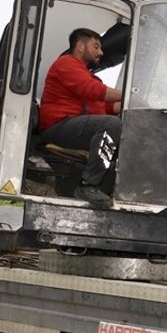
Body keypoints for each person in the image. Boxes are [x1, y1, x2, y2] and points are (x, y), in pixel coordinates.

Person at [38, 28, 123, 207]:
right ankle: (88, 185)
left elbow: (104, 105)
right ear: (80, 46)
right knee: (111, 125)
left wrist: (131, 105)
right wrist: (129, 95)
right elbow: (93, 90)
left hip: (74, 126)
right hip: (58, 126)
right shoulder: (66, 64)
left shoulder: (85, 74)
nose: (101, 52)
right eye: (96, 47)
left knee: (127, 135)